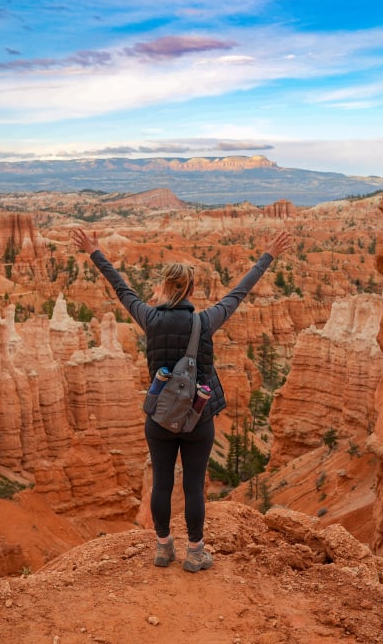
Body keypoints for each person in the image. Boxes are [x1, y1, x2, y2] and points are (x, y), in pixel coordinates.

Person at [71, 227, 292, 572]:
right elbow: (239, 292)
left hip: (159, 418)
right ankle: (195, 552)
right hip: (197, 420)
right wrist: (268, 255)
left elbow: (121, 288)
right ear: (189, 289)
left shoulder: (149, 318)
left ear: (165, 287)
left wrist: (95, 252)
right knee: (192, 487)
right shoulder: (205, 321)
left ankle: (162, 547)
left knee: (161, 482)